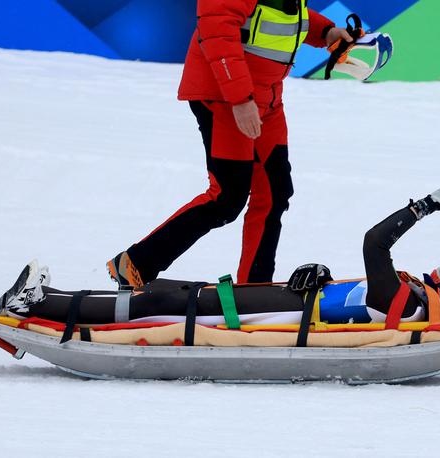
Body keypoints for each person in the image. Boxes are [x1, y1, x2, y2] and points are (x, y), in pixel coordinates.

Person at [0, 182, 440, 327]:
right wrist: (321, 275)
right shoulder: (408, 297)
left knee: (155, 302)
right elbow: (353, 297)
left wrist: (425, 207)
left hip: (270, 313)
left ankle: (35, 306)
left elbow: (375, 244)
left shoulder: (410, 306)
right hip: (281, 300)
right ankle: (47, 298)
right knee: (159, 295)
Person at [106, 1, 356, 288]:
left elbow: (283, 15)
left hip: (266, 97)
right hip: (225, 97)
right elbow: (217, 30)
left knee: (274, 193)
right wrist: (240, 99)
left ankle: (254, 288)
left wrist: (326, 32)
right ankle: (135, 264)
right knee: (226, 198)